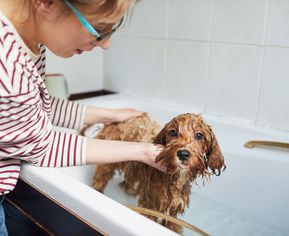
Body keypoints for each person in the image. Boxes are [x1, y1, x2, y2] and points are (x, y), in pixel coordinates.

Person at [0, 0, 165, 234]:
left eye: (112, 30)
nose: (106, 44)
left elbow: (32, 106)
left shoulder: (24, 33)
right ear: (47, 3)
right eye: (99, 29)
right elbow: (43, 147)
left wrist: (105, 115)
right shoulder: (7, 64)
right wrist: (142, 151)